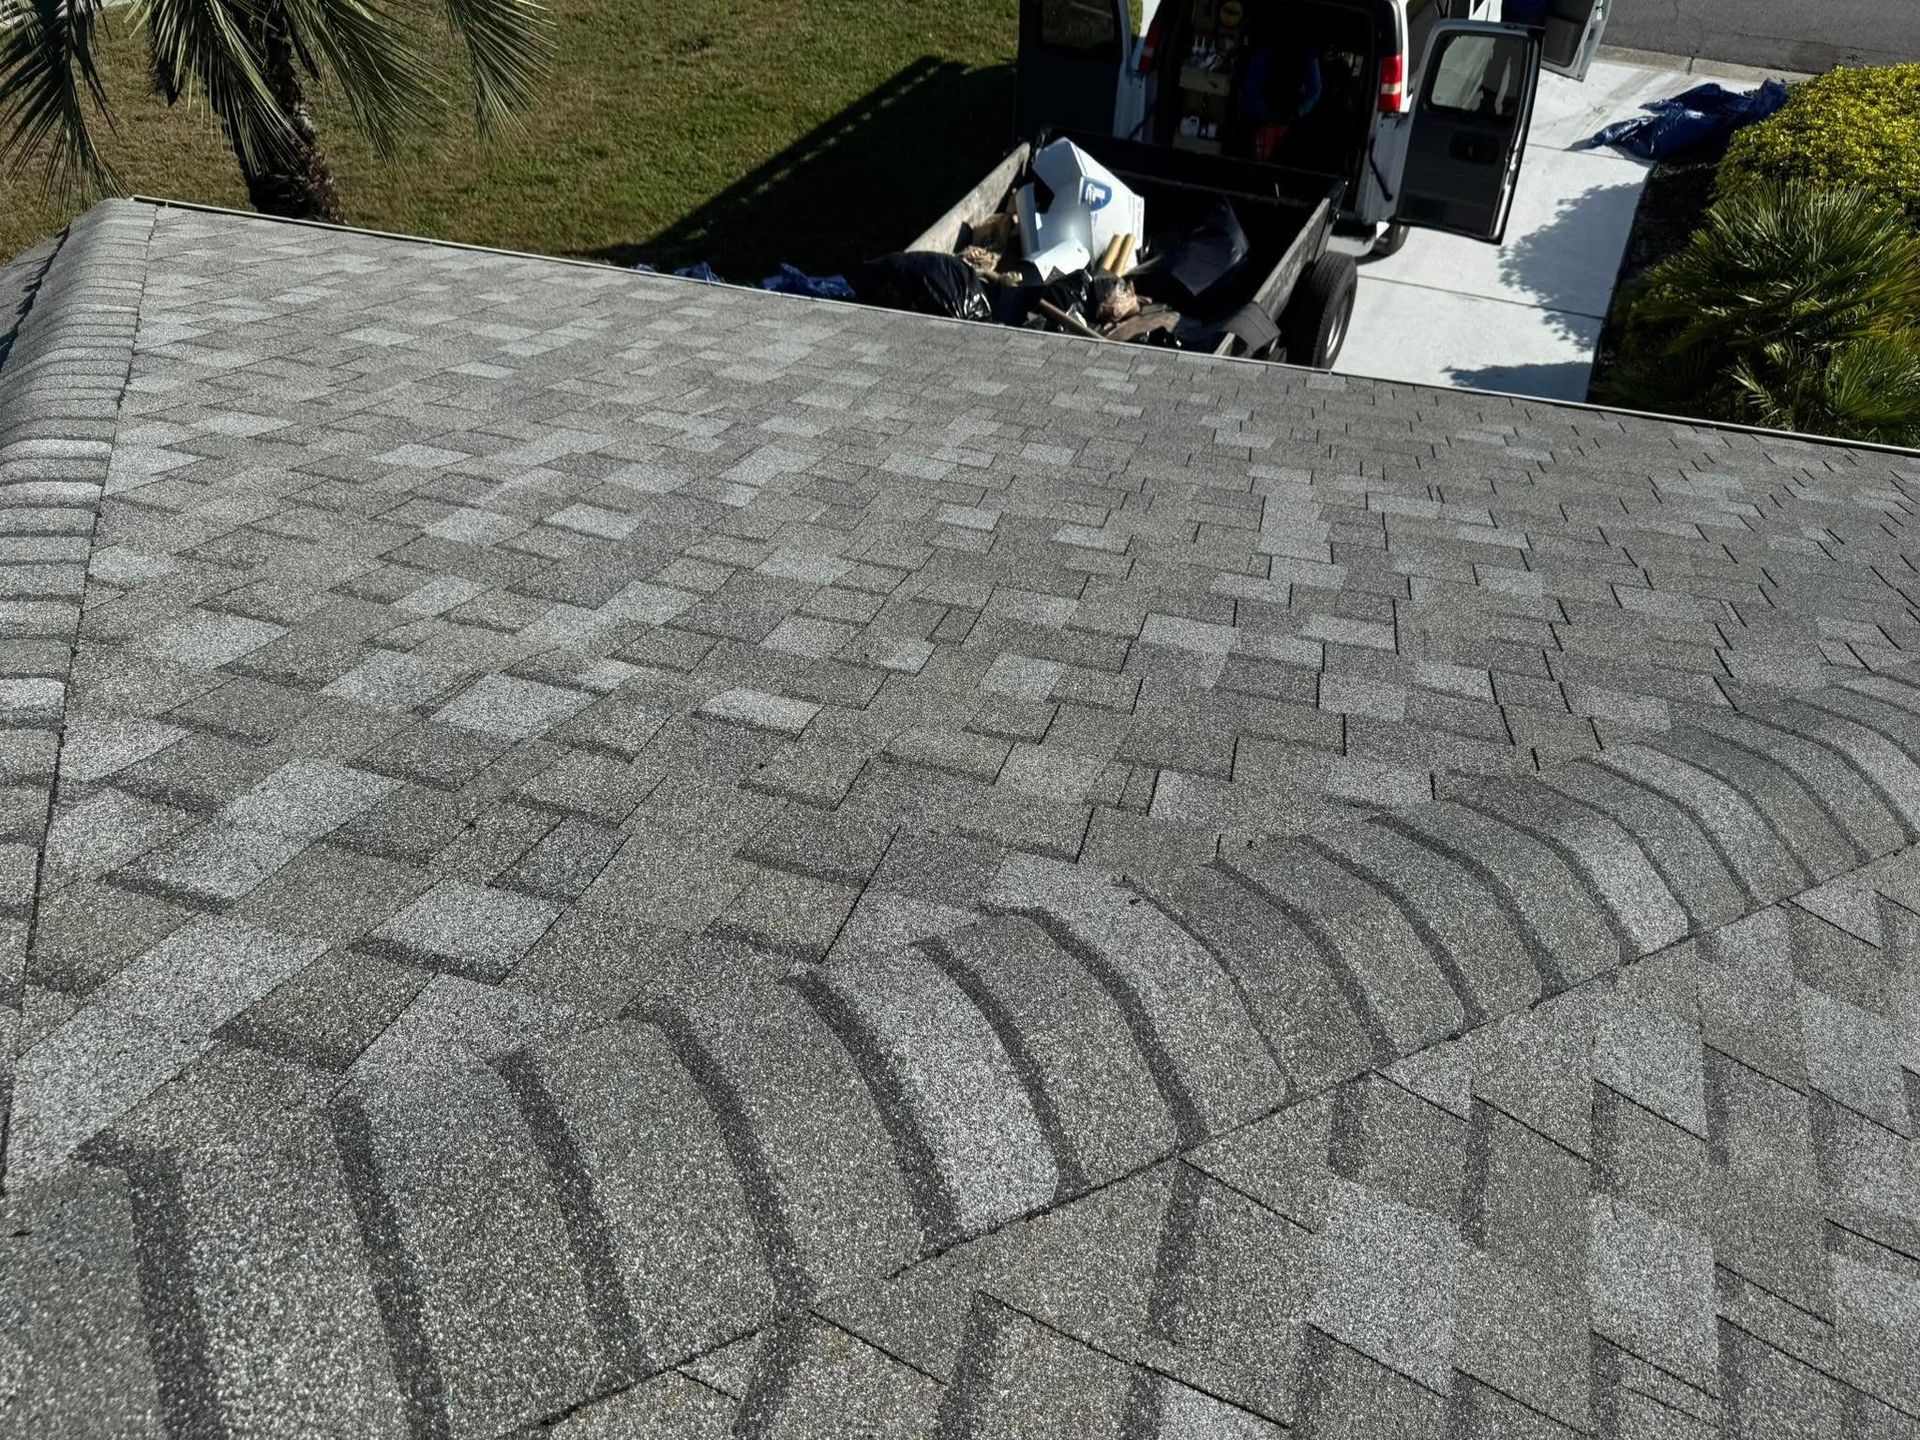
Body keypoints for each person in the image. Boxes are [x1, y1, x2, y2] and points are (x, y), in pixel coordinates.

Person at [1242, 40, 1323, 162]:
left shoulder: (1308, 56)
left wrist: (1297, 111)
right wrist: (1267, 113)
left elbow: (1314, 91)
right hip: (1266, 119)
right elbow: (1250, 92)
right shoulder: (1265, 54)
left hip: (1290, 122)